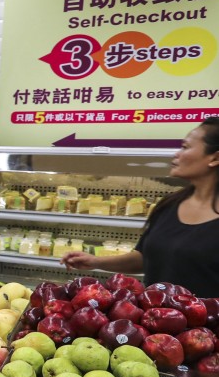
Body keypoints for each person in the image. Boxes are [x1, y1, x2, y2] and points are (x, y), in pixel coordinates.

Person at [62, 117, 219, 296]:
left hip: (206, 322)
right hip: (156, 318)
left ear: (214, 158)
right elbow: (145, 258)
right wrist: (96, 262)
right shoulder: (169, 205)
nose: (176, 154)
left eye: (185, 147)